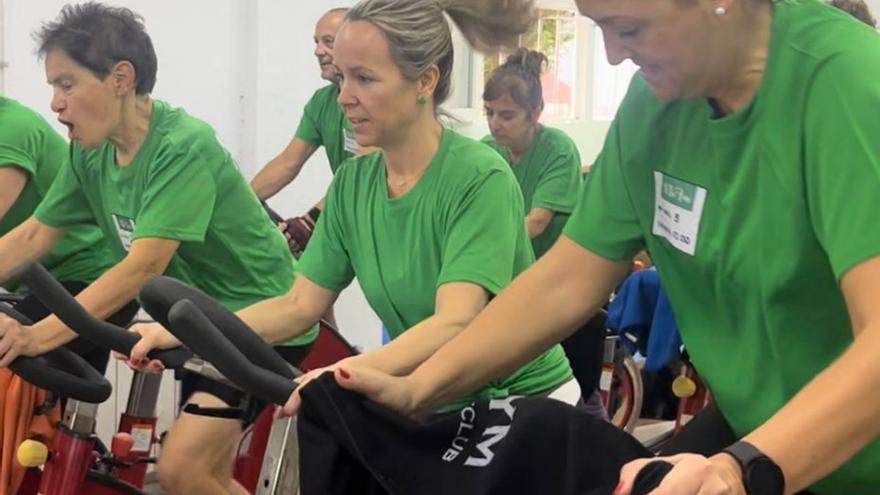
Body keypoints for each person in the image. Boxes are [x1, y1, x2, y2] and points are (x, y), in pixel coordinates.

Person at [326, 0, 880, 494]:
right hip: (755, 427)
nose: (614, 56)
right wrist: (416, 388)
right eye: (601, 30)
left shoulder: (844, 83)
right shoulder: (656, 103)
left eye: (630, 29)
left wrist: (740, 468)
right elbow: (565, 280)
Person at [129, 0, 578, 416]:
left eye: (364, 78)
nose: (344, 96)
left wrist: (345, 373)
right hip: (436, 401)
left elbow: (455, 320)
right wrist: (183, 333)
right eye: (342, 77)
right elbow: (298, 306)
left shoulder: (479, 177)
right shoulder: (352, 183)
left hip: (523, 401)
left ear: (425, 80)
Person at [0, 4, 316, 494]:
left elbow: (142, 267)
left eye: (66, 84)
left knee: (184, 470)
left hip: (255, 320)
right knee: (198, 475)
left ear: (120, 78)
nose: (55, 104)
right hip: (192, 323)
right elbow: (33, 235)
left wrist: (37, 337)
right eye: (52, 88)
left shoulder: (180, 147)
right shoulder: (92, 153)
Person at [0, 96, 135, 373]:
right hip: (39, 286)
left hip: (92, 277)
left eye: (67, 84)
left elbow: (29, 240)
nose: (56, 103)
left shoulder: (12, 128)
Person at [250, 7, 356, 258]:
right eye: (316, 42)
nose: (318, 51)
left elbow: (362, 172)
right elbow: (287, 163)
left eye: (328, 42)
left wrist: (310, 221)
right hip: (348, 215)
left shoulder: (372, 102)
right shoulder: (322, 102)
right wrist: (242, 202)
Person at [481, 48, 583, 259]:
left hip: (553, 267)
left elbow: (536, 223)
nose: (494, 124)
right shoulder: (485, 151)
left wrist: (484, 251)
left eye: (506, 116)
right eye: (489, 112)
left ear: (536, 111)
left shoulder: (559, 150)